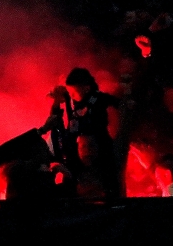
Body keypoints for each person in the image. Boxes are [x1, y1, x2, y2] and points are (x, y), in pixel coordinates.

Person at [50, 67, 123, 198]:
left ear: (86, 88)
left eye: (74, 92)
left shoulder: (98, 99)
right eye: (69, 92)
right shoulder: (71, 103)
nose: (71, 95)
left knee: (107, 180)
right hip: (77, 155)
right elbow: (58, 122)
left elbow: (120, 105)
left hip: (100, 151)